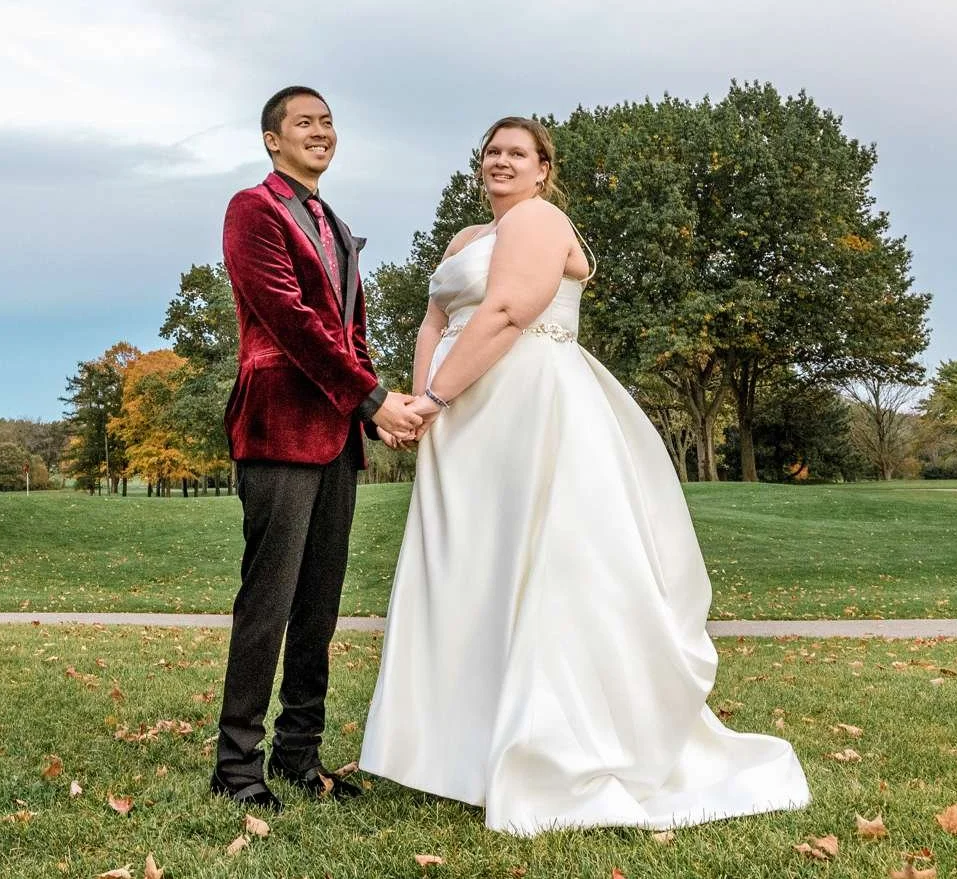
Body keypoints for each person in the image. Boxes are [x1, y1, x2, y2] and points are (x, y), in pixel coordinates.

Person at [359, 114, 815, 839]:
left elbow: (509, 311)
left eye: (518, 153)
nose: (501, 162)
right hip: (464, 421)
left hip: (529, 405)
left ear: (544, 169)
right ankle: (460, 753)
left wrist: (435, 397)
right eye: (491, 152)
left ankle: (552, 747)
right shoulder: (463, 241)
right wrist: (419, 406)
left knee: (548, 569)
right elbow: (434, 320)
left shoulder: (541, 219)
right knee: (473, 570)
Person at [214, 82, 425, 809]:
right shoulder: (253, 210)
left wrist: (371, 413)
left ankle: (298, 755)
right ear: (273, 140)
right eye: (304, 122)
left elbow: (349, 335)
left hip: (336, 436)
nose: (320, 131)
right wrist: (371, 396)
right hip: (277, 427)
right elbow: (290, 321)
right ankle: (235, 765)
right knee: (268, 602)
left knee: (319, 607)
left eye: (328, 122)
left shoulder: (334, 223)